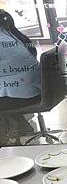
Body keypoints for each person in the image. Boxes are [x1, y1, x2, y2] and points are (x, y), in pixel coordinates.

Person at [0, 9, 40, 145]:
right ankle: (17, 124)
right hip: (36, 90)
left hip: (22, 96)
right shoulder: (11, 34)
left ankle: (8, 137)